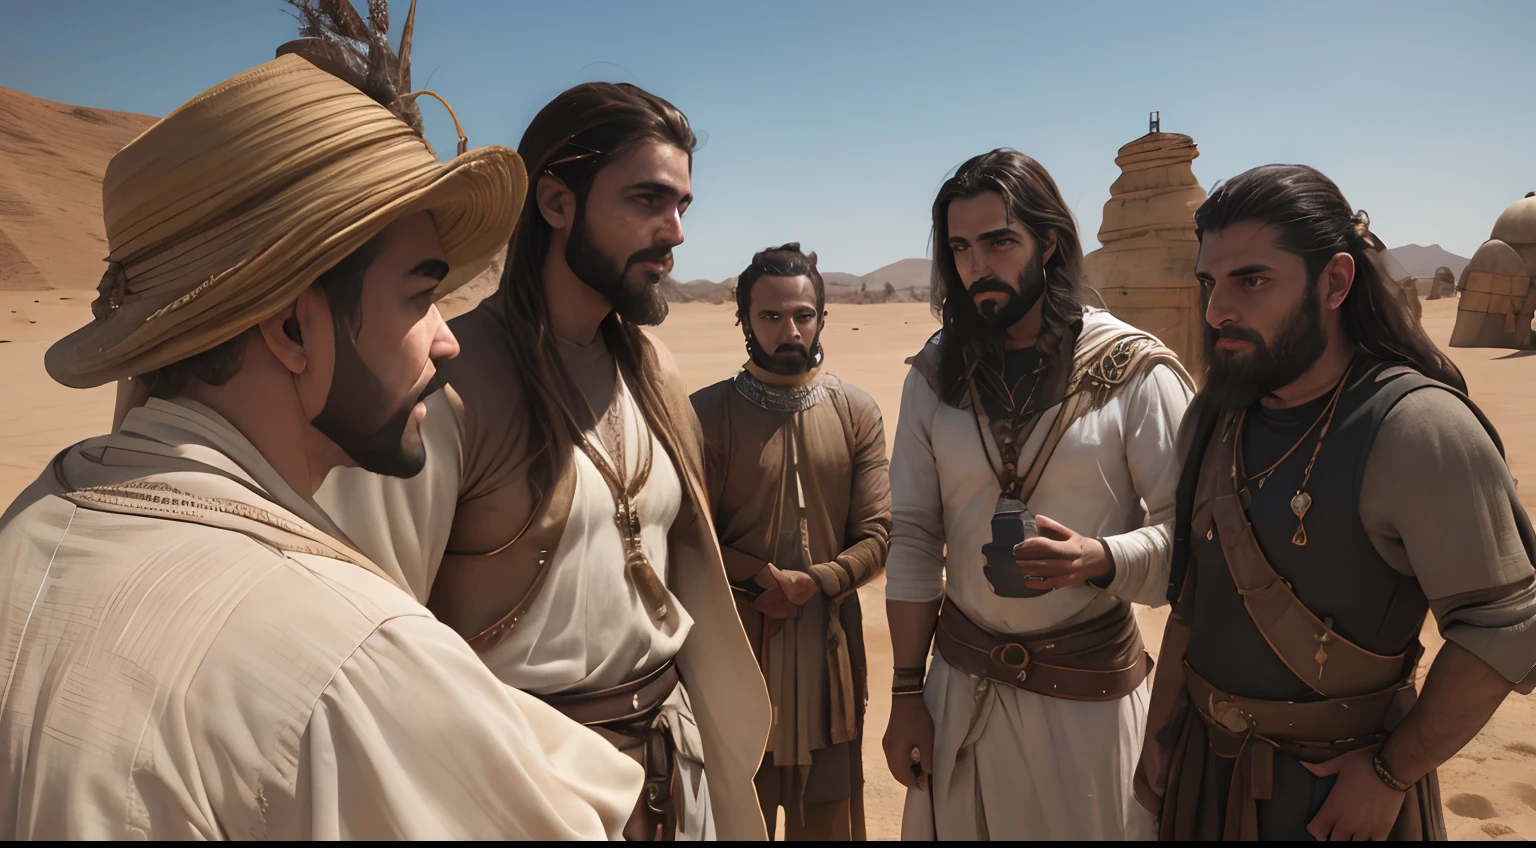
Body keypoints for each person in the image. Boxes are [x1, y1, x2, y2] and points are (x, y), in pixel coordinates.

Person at [0, 12, 644, 838]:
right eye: (419, 294)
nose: (448, 339)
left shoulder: (31, 525)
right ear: (293, 329)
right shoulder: (352, 660)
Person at [314, 81, 769, 840]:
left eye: (684, 205)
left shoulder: (653, 368)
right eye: (649, 201)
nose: (677, 230)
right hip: (524, 795)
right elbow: (369, 641)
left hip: (675, 777)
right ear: (556, 204)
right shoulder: (448, 382)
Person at [1133, 164, 1536, 841]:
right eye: (1209, 283)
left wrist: (1390, 774)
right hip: (1202, 777)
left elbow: (1506, 625)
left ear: (1336, 282)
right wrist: (1160, 729)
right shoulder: (1215, 416)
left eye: (1251, 281)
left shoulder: (1416, 428)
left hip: (1336, 807)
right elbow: (1196, 601)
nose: (1216, 310)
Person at [881, 148, 1195, 840]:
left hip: (1090, 704)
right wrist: (908, 694)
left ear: (1049, 244)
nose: (976, 266)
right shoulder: (935, 375)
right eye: (960, 248)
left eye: (999, 241)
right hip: (960, 695)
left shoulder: (1133, 370)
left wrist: (1104, 557)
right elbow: (912, 535)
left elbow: (1197, 536)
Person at [690, 243, 891, 840]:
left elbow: (878, 533)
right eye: (771, 317)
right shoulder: (706, 412)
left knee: (827, 817)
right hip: (739, 649)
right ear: (746, 322)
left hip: (830, 656)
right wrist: (755, 577)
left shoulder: (856, 411)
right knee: (735, 810)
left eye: (803, 315)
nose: (789, 330)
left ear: (822, 318)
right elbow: (682, 532)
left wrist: (814, 583)